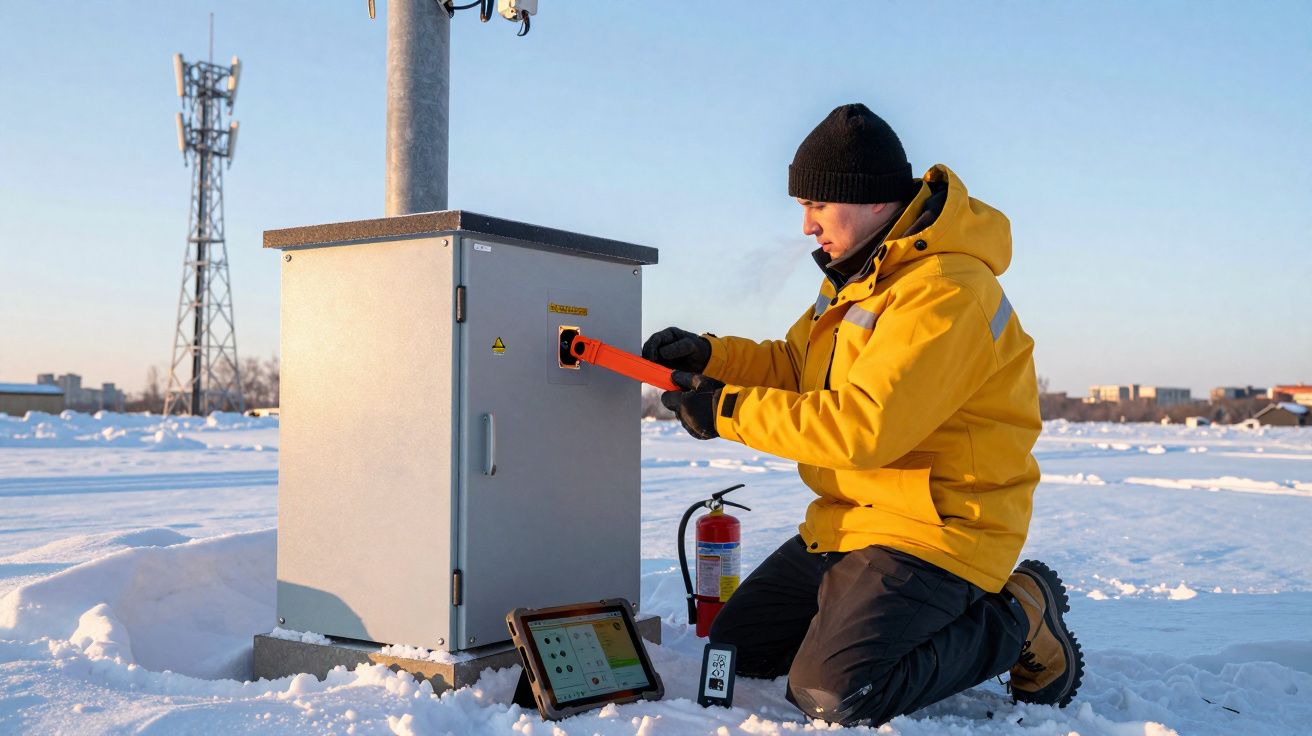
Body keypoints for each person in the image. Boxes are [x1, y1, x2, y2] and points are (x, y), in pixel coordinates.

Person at [644, 103, 1082, 726]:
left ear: (870, 199)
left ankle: (1019, 614)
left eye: (817, 205)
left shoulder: (946, 291)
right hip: (852, 521)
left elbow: (861, 427)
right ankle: (858, 616)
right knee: (740, 652)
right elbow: (797, 367)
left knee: (834, 693)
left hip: (941, 527)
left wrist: (725, 409)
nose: (805, 226)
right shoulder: (859, 279)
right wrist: (713, 356)